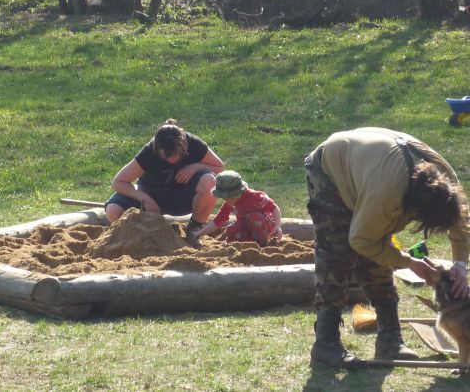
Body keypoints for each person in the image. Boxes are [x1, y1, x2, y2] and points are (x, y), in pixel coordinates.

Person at [304, 127, 470, 369]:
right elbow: (361, 240)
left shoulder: (447, 184)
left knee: (379, 250)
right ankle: (325, 344)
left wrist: (460, 265)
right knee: (336, 254)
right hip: (330, 173)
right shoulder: (387, 194)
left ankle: (390, 338)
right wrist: (408, 261)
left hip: (370, 167)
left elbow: (461, 226)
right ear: (413, 210)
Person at [105, 119, 224, 248]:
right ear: (157, 149)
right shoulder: (149, 152)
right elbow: (118, 182)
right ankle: (139, 237)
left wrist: (196, 166)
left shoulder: (194, 144)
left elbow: (219, 168)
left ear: (183, 145)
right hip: (151, 195)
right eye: (165, 157)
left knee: (210, 181)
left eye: (177, 155)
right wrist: (145, 199)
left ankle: (194, 230)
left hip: (181, 198)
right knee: (113, 210)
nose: (172, 160)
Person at [192, 170, 282, 246]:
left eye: (232, 197)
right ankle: (250, 243)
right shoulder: (229, 203)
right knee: (232, 231)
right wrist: (199, 233)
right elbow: (217, 222)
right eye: (225, 197)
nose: (229, 200)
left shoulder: (255, 197)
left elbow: (274, 208)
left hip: (265, 226)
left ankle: (263, 244)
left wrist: (278, 226)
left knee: (254, 218)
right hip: (246, 225)